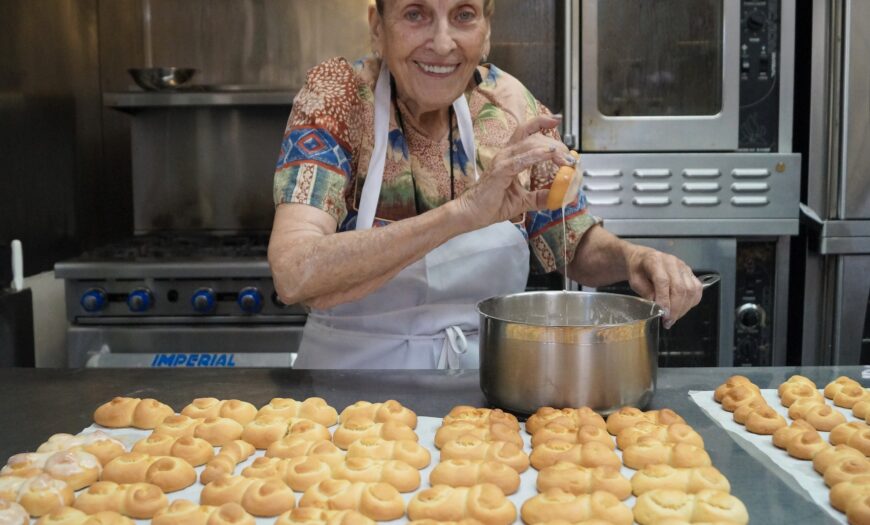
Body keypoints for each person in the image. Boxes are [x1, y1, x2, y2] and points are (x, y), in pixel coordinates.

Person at [268, 0, 702, 369]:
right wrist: (462, 214)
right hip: (346, 391)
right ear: (378, 27)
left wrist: (632, 259)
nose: (442, 44)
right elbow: (294, 272)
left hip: (484, 391)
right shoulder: (338, 99)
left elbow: (571, 243)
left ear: (487, 31)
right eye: (416, 14)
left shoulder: (510, 106)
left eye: (463, 15)